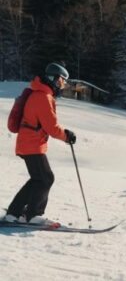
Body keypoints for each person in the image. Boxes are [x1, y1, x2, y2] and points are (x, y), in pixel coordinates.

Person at [2, 63, 76, 227]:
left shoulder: (42, 94)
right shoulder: (43, 96)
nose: (63, 85)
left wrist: (65, 134)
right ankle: (33, 215)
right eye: (62, 81)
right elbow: (51, 127)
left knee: (38, 179)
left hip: (30, 143)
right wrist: (67, 136)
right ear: (54, 79)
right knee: (45, 178)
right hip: (31, 144)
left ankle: (14, 213)